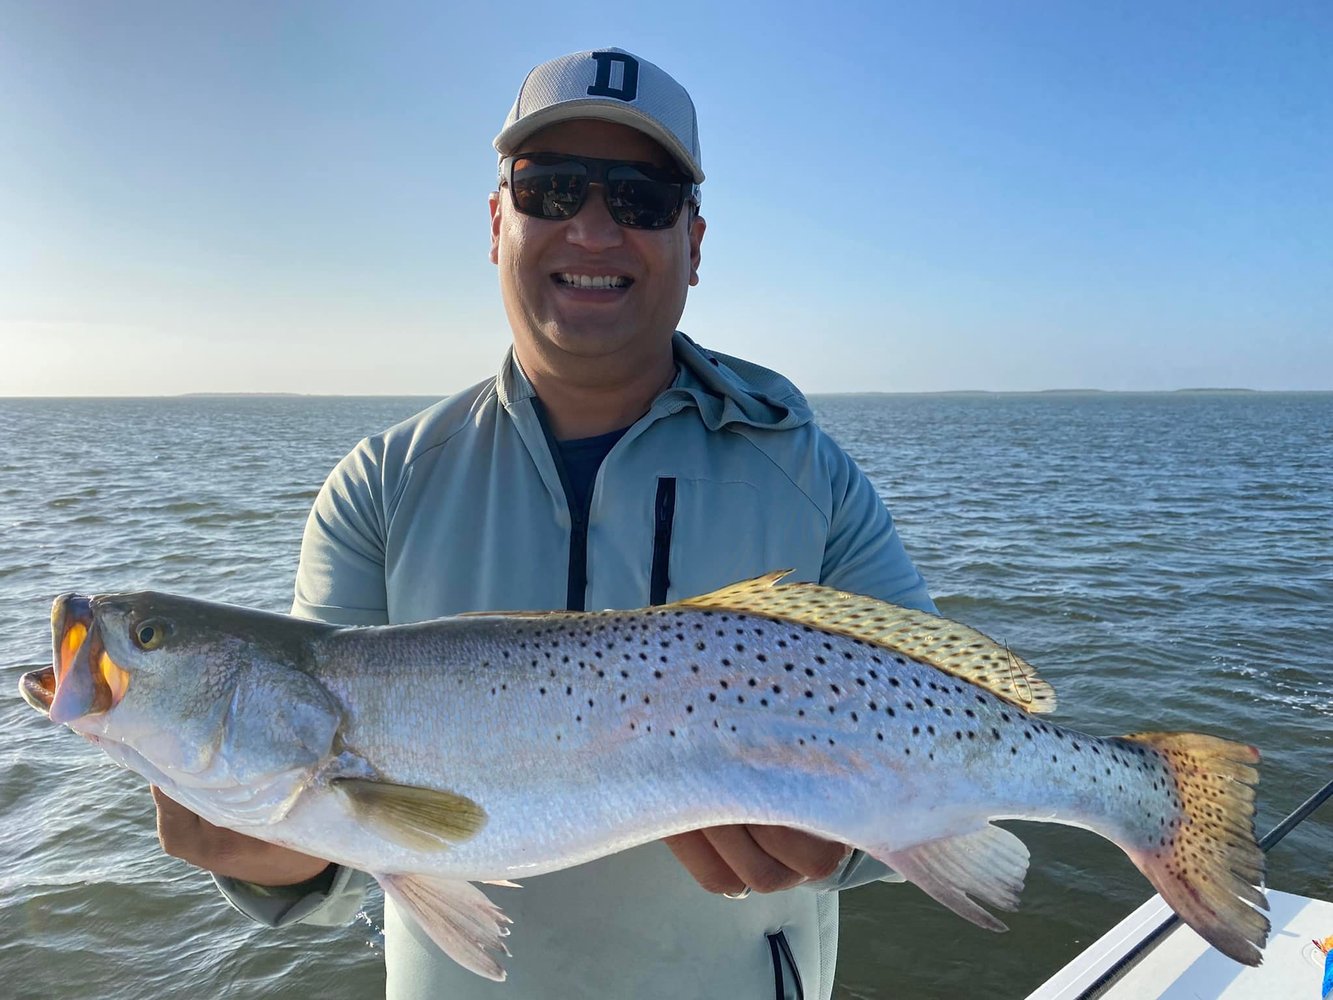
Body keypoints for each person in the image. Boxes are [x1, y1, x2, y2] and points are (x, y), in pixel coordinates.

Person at [151, 47, 935, 1000]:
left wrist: (842, 843)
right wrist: (262, 848)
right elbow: (339, 856)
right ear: (497, 222)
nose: (594, 230)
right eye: (552, 189)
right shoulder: (378, 488)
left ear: (694, 239)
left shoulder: (813, 479)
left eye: (641, 198)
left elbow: (936, 743)